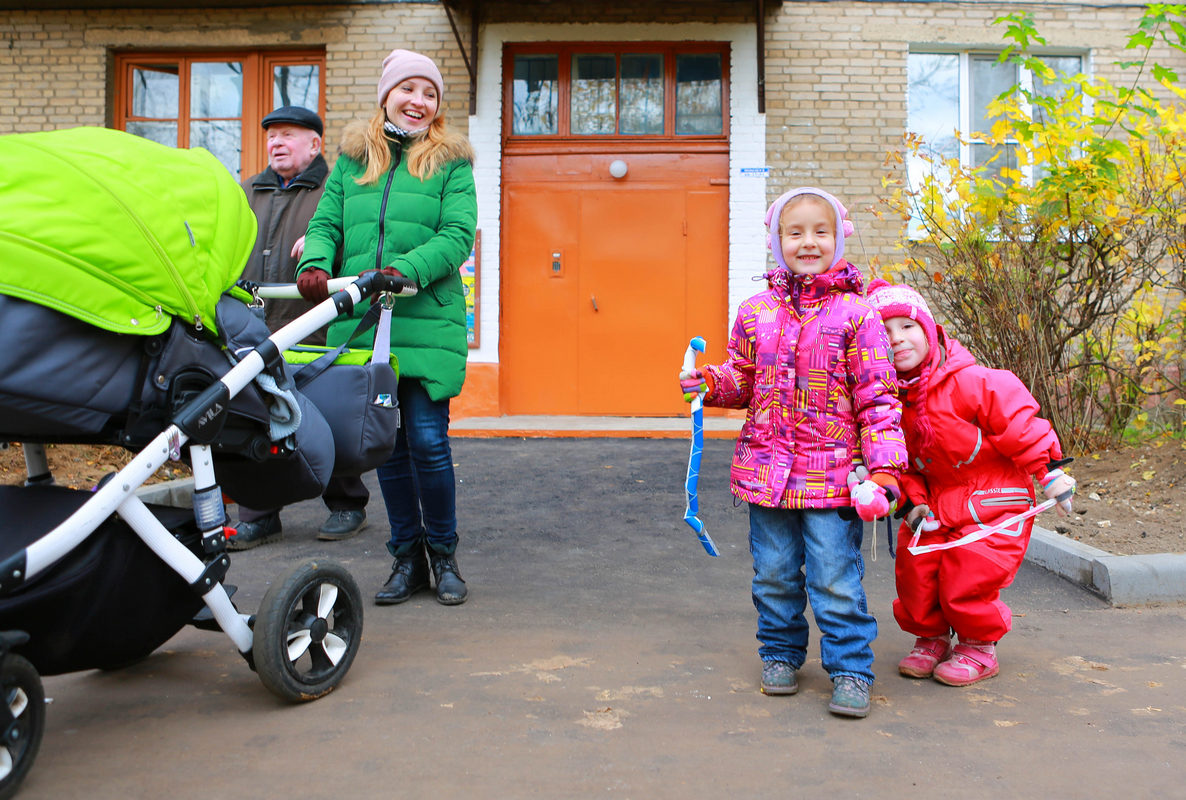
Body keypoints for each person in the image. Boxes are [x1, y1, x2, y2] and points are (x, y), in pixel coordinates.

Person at [678, 187, 908, 718]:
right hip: (767, 476)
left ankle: (851, 668)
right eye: (795, 232)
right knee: (774, 574)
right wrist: (709, 382)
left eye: (821, 232)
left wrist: (885, 469)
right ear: (776, 241)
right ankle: (780, 654)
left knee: (834, 578)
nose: (808, 242)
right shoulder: (755, 312)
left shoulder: (858, 315)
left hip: (834, 480)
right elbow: (743, 378)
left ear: (839, 238)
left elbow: (878, 398)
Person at [295, 49, 476, 606]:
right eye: (408, 89)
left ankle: (443, 556)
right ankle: (406, 559)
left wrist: (405, 270)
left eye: (429, 93)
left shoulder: (450, 163)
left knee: (428, 442)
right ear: (387, 95)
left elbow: (457, 234)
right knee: (387, 448)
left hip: (425, 320)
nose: (419, 101)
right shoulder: (353, 159)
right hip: (365, 323)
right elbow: (326, 222)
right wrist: (315, 263)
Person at [866, 279, 1076, 687]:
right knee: (915, 565)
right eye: (884, 332)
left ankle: (979, 644)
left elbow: (1020, 425)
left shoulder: (974, 381)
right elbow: (901, 463)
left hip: (994, 496)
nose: (897, 339)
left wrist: (1048, 471)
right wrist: (912, 502)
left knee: (969, 571)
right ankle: (931, 636)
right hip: (938, 500)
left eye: (907, 326)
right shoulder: (888, 403)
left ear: (929, 330)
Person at [229, 105, 371, 550]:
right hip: (254, 326)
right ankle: (258, 515)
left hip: (315, 325)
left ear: (314, 144)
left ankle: (347, 504)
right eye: (271, 135)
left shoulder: (337, 188)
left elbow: (359, 240)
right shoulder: (246, 192)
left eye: (287, 135)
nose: (276, 142)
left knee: (325, 415)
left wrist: (325, 244)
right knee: (255, 420)